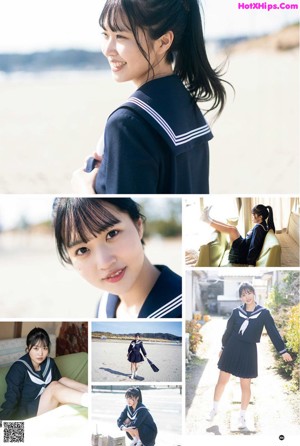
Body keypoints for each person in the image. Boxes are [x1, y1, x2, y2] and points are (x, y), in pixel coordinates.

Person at [72, 0, 229, 194]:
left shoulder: (127, 124)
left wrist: (84, 188)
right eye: (105, 34)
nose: (108, 49)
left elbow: (120, 208)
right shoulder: (186, 104)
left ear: (163, 41)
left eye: (120, 36)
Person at [52, 197, 182, 318]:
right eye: (82, 250)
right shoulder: (104, 307)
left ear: (138, 226)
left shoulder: (183, 306)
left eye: (112, 234)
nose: (105, 263)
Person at [207, 283, 293, 429]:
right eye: (243, 295)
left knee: (245, 385)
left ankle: (242, 417)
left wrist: (283, 351)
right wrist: (223, 347)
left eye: (248, 293)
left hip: (249, 350)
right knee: (222, 381)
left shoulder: (264, 313)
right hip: (232, 347)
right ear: (241, 298)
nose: (246, 297)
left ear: (253, 293)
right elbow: (228, 331)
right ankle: (214, 409)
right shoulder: (236, 312)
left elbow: (273, 332)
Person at [0, 327, 88, 420]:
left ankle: (91, 393)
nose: (40, 353)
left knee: (62, 380)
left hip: (47, 406)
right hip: (27, 414)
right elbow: (11, 400)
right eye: (36, 348)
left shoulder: (50, 363)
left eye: (45, 348)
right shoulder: (18, 368)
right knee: (54, 385)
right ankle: (89, 401)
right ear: (28, 348)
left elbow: (60, 382)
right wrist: (6, 426)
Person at [201, 204, 276, 266]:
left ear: (260, 217)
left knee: (232, 230)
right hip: (243, 246)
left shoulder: (258, 228)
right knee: (233, 228)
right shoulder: (262, 225)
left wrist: (250, 263)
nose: (252, 217)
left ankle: (207, 220)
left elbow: (254, 247)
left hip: (240, 255)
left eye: (253, 215)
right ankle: (208, 218)